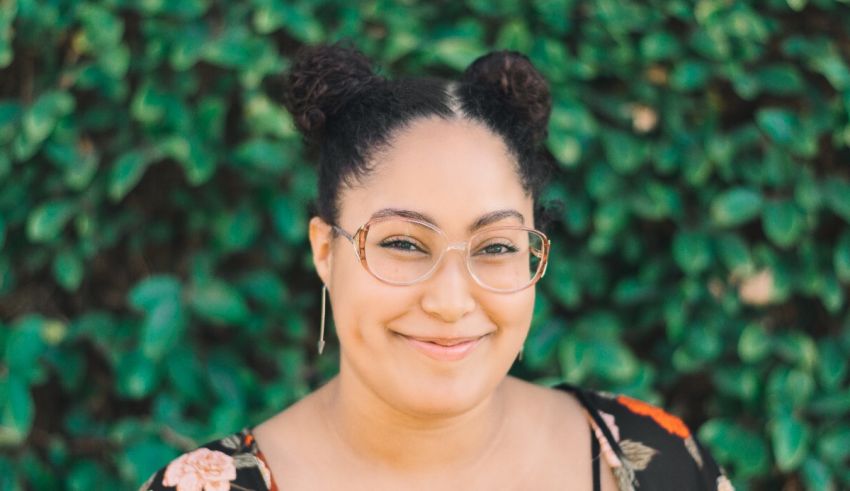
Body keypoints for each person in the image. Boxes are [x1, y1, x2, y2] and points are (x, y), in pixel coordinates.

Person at [140, 42, 733, 491]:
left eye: (496, 247)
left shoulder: (651, 460)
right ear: (326, 251)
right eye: (402, 243)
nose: (451, 301)